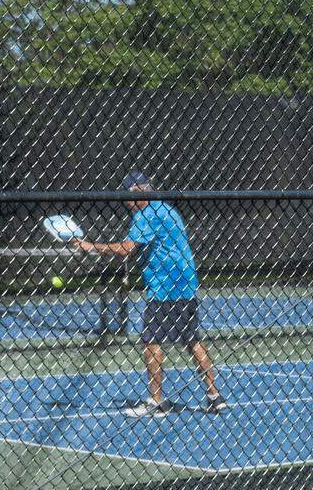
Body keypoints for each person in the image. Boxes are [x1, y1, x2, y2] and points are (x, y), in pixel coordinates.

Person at [74, 171, 226, 417]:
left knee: (151, 341)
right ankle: (214, 395)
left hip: (165, 287)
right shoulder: (167, 209)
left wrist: (90, 246)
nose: (126, 203)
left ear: (139, 192)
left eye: (128, 197)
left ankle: (156, 402)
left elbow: (126, 249)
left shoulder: (147, 215)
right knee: (192, 340)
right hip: (186, 282)